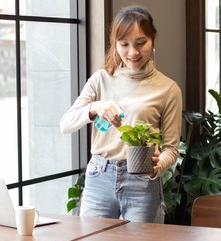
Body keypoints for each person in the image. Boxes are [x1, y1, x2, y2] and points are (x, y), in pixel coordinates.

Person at [60, 5, 182, 223]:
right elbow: (66, 124)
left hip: (142, 181)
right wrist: (95, 107)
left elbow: (171, 149)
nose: (132, 53)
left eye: (140, 43)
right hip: (99, 175)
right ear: (115, 44)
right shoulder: (100, 80)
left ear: (153, 40)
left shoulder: (168, 89)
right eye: (124, 44)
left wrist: (158, 165)